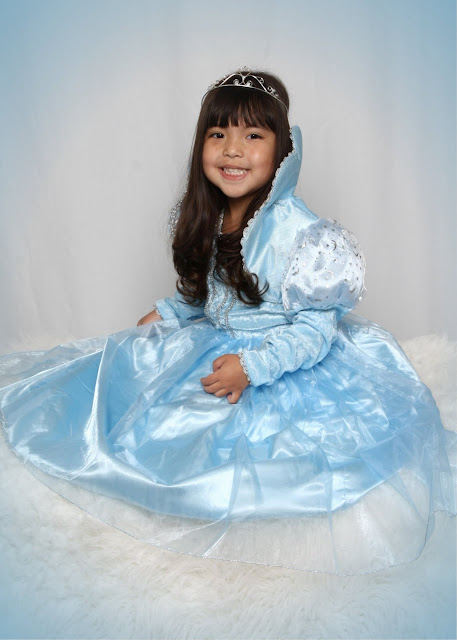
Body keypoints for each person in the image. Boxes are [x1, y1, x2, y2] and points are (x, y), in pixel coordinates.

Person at [0, 68, 455, 574]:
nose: (232, 150)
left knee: (256, 451)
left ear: (282, 150)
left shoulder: (302, 233)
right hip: (220, 341)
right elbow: (214, 293)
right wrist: (172, 311)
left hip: (282, 355)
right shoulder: (213, 216)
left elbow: (313, 331)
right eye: (218, 134)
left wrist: (253, 368)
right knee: (142, 406)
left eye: (253, 136)